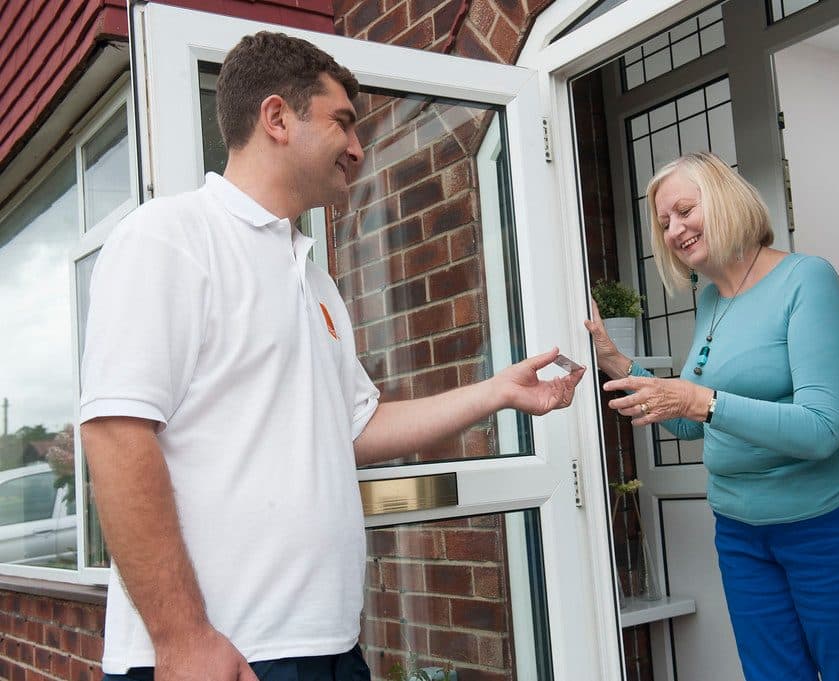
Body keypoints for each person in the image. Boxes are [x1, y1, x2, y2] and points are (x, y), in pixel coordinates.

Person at [80, 32, 585, 681]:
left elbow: (356, 427)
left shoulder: (313, 278)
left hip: (329, 645)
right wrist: (182, 638)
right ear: (277, 118)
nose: (357, 147)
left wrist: (497, 392)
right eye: (342, 122)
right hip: (222, 654)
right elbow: (116, 433)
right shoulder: (170, 238)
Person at [585, 152, 839, 681]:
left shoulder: (807, 279)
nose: (674, 230)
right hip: (742, 531)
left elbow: (822, 430)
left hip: (835, 520)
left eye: (685, 210)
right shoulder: (712, 301)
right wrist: (615, 360)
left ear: (724, 201)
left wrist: (701, 401)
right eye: (664, 222)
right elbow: (690, 422)